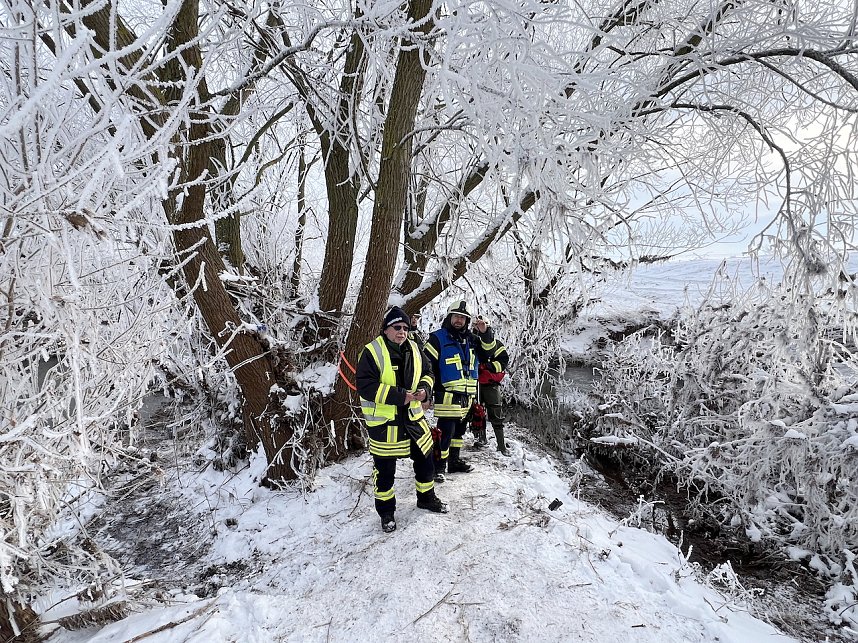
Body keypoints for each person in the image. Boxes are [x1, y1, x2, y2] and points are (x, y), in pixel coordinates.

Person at [356, 306, 448, 533]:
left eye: (405, 328)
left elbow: (428, 373)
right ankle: (386, 513)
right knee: (385, 472)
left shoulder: (416, 349)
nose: (402, 332)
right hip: (385, 424)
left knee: (426, 460)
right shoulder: (371, 351)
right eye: (397, 327)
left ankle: (426, 497)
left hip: (414, 419)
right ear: (386, 329)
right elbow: (365, 386)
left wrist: (425, 390)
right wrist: (400, 396)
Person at [424, 300, 501, 480]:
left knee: (459, 433)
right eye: (456, 317)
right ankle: (438, 467)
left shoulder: (473, 339)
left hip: (468, 396)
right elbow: (427, 367)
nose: (459, 320)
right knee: (445, 434)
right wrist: (428, 393)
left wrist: (485, 333)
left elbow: (487, 354)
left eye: (463, 318)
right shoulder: (437, 338)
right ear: (449, 317)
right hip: (447, 395)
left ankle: (454, 462)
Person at [476, 323, 510, 455]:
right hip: (475, 383)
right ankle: (481, 438)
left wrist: (487, 366)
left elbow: (503, 362)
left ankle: (501, 446)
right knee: (477, 412)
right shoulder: (473, 342)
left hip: (490, 384)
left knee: (496, 414)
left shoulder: (497, 345)